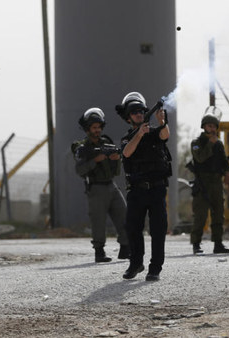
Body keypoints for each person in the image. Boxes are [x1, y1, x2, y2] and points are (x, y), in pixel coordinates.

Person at [115, 92, 171, 281]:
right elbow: (127, 153)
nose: (139, 114)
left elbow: (165, 135)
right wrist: (139, 134)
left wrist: (162, 122)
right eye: (134, 112)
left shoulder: (155, 134)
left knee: (158, 229)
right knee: (133, 228)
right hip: (137, 190)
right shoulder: (127, 138)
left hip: (156, 189)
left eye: (141, 111)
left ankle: (155, 268)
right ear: (128, 117)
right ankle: (136, 263)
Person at [72, 107, 130, 263]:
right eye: (93, 128)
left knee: (123, 214)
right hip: (96, 188)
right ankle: (99, 251)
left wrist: (114, 158)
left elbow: (115, 170)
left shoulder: (106, 142)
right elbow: (80, 170)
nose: (97, 130)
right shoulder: (83, 148)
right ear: (87, 129)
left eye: (99, 127)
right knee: (98, 221)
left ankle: (125, 248)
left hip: (111, 185)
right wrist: (94, 161)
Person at [188, 106, 229, 255]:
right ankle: (196, 244)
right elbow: (200, 157)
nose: (212, 128)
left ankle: (218, 243)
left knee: (218, 213)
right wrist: (210, 144)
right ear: (204, 127)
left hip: (216, 183)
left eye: (214, 126)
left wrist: (227, 173)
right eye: (209, 126)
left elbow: (223, 161)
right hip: (202, 183)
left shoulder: (218, 143)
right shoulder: (197, 142)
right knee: (200, 215)